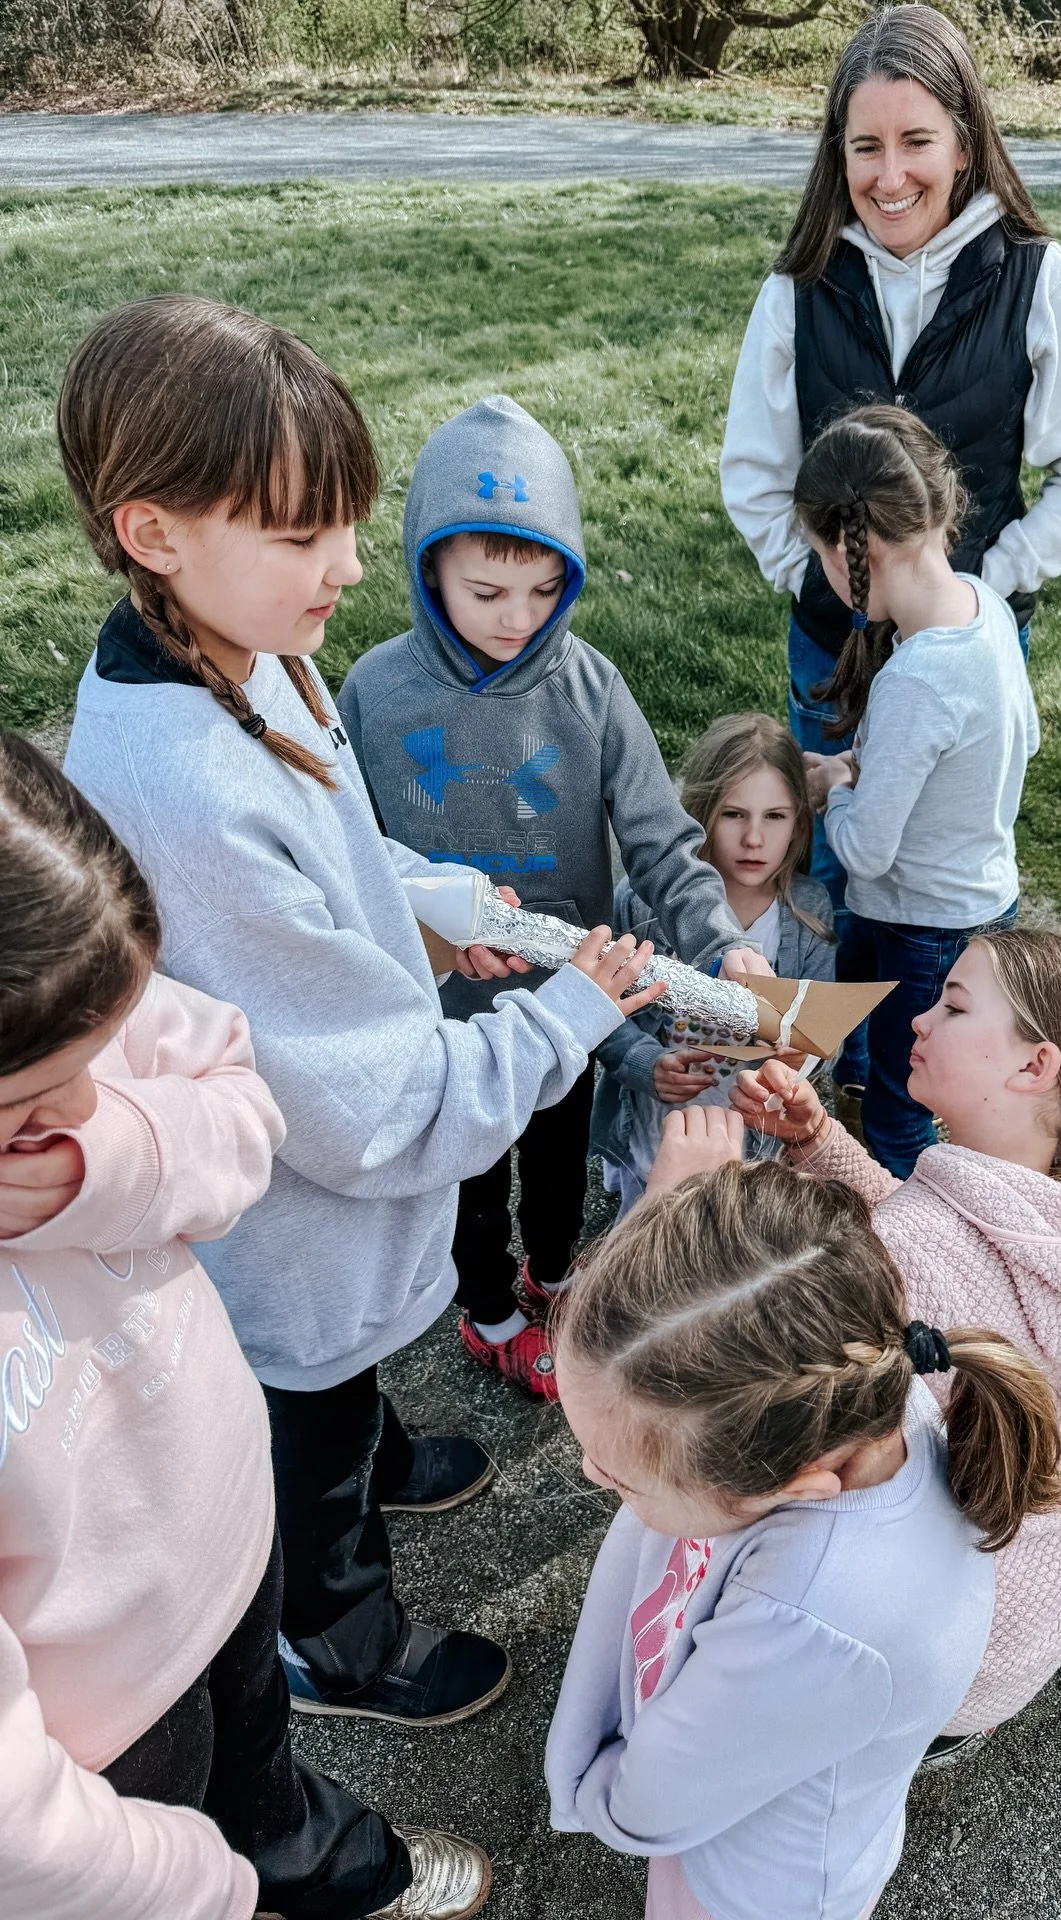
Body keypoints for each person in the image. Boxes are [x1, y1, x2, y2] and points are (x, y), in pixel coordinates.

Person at [57, 295, 667, 1731]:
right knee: (307, 1425)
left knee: (346, 1405)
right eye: (299, 532)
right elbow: (386, 1112)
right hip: (294, 1233)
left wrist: (438, 900)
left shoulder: (234, 636)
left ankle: (375, 1442)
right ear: (155, 532)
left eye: (347, 521)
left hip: (324, 1172)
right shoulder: (187, 789)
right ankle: (337, 1641)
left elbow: (329, 844)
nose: (345, 567)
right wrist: (572, 1009)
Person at [0, 732, 492, 1920]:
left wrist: (100, 1162)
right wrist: (207, 1889)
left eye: (101, 1060)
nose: (87, 1101)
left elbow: (238, 1095)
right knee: (221, 1817)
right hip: (111, 1734)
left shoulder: (53, 990)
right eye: (26, 1102)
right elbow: (31, 1838)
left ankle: (320, 1859)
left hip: (226, 1532)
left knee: (266, 1773)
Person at [719, 0, 1061, 1122]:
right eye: (865, 147)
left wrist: (972, 600)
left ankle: (922, 1070)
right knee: (830, 855)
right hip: (829, 643)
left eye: (916, 143)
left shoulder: (1034, 278)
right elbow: (753, 477)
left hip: (964, 633)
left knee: (929, 855)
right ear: (836, 154)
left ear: (964, 139)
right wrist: (832, 587)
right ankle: (830, 1065)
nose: (890, 175)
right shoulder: (798, 292)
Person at [338, 396, 769, 1400]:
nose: (516, 617)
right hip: (444, 1018)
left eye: (542, 589)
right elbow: (352, 853)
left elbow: (664, 842)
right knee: (474, 1181)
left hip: (570, 1003)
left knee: (558, 1165)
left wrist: (723, 947)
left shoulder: (593, 690)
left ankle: (556, 1275)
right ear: (426, 563)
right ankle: (487, 1314)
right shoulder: (370, 693)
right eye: (486, 589)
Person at [545, 1132, 1061, 1920]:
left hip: (748, 1890)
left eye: (618, 1476)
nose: (592, 1475)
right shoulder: (863, 1403)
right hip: (751, 1818)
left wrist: (604, 1794)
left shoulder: (816, 1618)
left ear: (797, 1484)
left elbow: (652, 1805)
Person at [734, 927, 1061, 1765]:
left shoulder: (917, 1254)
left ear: (1034, 1066)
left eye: (954, 1004)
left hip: (938, 1643)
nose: (918, 1020)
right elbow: (933, 1234)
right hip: (1029, 1603)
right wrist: (820, 1142)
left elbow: (813, 1435)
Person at [793, 404, 1038, 1177]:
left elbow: (866, 849)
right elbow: (1018, 739)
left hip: (918, 927)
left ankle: (910, 1255)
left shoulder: (918, 678)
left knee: (905, 1118)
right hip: (978, 901)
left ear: (849, 546)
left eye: (819, 558)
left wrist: (835, 785)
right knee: (878, 1062)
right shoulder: (983, 603)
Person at [592, 712, 835, 1215]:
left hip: (749, 1141)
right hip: (655, 1128)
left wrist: (795, 1058)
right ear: (701, 812)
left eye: (775, 816)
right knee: (643, 1252)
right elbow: (601, 1011)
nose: (753, 839)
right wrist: (646, 1063)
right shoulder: (642, 904)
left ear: (800, 821)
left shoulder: (810, 914)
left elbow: (823, 1033)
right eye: (733, 814)